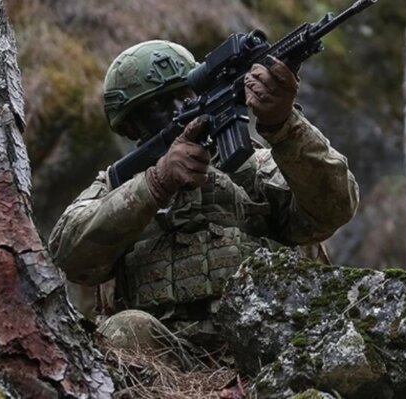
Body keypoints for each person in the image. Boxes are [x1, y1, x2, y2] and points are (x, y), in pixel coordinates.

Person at [48, 39, 359, 362]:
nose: (178, 110)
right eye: (158, 105)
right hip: (166, 363)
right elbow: (68, 255)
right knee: (125, 329)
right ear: (130, 125)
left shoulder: (257, 165)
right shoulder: (116, 185)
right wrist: (155, 183)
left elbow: (335, 207)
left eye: (185, 96)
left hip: (263, 348)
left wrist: (285, 124)